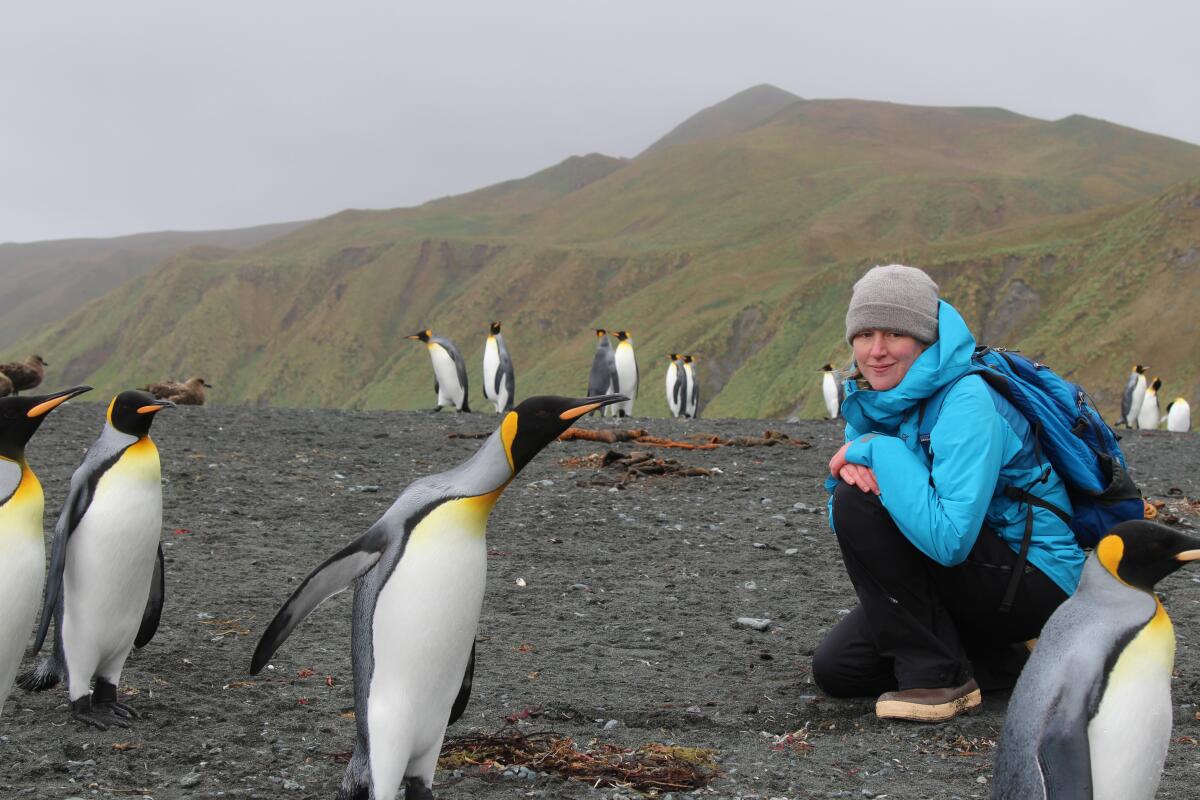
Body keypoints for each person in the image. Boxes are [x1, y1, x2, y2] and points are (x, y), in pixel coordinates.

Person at [812, 264, 1085, 722]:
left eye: (895, 334)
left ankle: (941, 679)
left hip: (1034, 575)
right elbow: (853, 516)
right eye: (864, 335)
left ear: (924, 339)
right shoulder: (880, 399)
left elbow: (951, 539)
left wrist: (876, 451)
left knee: (859, 502)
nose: (875, 351)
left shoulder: (966, 400)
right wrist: (863, 467)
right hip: (976, 575)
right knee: (840, 670)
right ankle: (1015, 655)